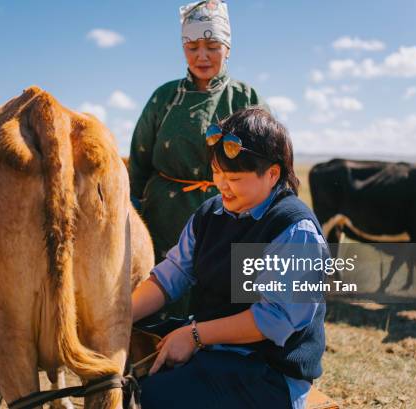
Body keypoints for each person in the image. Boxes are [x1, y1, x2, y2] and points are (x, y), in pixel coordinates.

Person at [132, 108, 328, 409]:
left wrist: (196, 335)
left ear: (272, 174)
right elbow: (173, 274)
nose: (221, 185)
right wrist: (120, 317)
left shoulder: (294, 230)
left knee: (160, 396)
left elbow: (274, 320)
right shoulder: (211, 214)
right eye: (216, 172)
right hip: (217, 353)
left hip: (270, 373)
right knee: (134, 378)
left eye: (234, 177)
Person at [128, 0, 265, 285]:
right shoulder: (164, 98)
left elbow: (266, 164)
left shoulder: (246, 99)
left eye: (213, 47)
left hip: (229, 217)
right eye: (192, 48)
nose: (202, 56)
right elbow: (139, 161)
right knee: (160, 294)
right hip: (163, 218)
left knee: (218, 299)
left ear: (228, 49)